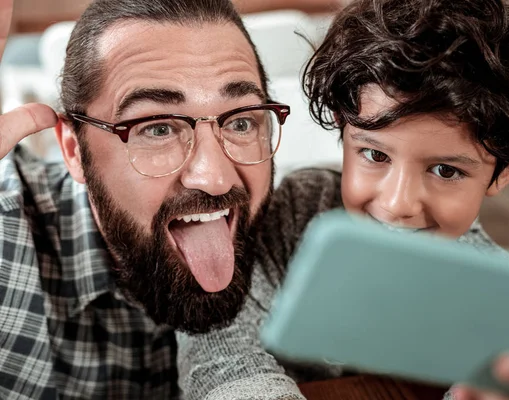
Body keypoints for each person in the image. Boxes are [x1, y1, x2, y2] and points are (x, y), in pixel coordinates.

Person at [178, 0, 509, 399]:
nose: (398, 204)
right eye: (375, 155)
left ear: (506, 169)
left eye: (446, 171)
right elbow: (220, 348)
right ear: (343, 129)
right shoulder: (295, 212)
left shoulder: (496, 294)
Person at [0, 0, 292, 397]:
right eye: (157, 129)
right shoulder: (9, 241)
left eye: (241, 122)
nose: (216, 178)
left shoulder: (299, 232)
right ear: (74, 150)